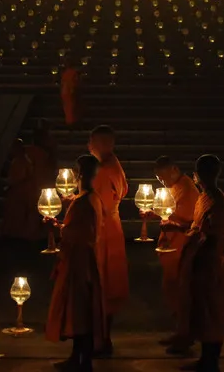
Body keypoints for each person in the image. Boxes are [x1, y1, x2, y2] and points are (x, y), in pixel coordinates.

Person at [46, 154, 107, 372]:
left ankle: (83, 362)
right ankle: (77, 358)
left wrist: (57, 228)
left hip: (79, 263)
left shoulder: (84, 201)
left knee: (80, 311)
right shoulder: (92, 198)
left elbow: (77, 234)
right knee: (80, 311)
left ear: (79, 174)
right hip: (86, 260)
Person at [176, 154, 224, 372]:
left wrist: (195, 237)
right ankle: (205, 358)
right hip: (203, 261)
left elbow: (221, 232)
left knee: (213, 312)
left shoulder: (217, 200)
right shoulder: (206, 198)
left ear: (197, 176)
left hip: (213, 263)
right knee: (203, 310)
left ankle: (212, 361)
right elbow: (199, 227)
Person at [88, 125, 128, 353]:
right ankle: (102, 338)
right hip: (112, 227)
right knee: (106, 284)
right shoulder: (114, 164)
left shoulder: (104, 171)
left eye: (92, 143)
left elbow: (98, 206)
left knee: (102, 283)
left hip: (103, 230)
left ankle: (101, 340)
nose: (90, 147)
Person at [154, 156, 200, 348]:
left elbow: (189, 221)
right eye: (159, 179)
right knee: (173, 288)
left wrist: (172, 223)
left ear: (174, 168)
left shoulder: (187, 189)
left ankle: (185, 333)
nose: (162, 182)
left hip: (181, 245)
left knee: (181, 289)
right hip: (172, 244)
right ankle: (180, 330)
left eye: (163, 177)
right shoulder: (175, 187)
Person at [2, 139, 42, 241]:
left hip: (22, 192)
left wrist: (13, 184)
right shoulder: (19, 160)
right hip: (19, 192)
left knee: (22, 215)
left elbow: (23, 177)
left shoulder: (23, 161)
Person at [61, 57, 83, 127]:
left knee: (70, 108)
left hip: (67, 91)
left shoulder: (67, 73)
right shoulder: (72, 73)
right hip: (69, 91)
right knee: (70, 108)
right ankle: (71, 122)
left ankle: (70, 121)